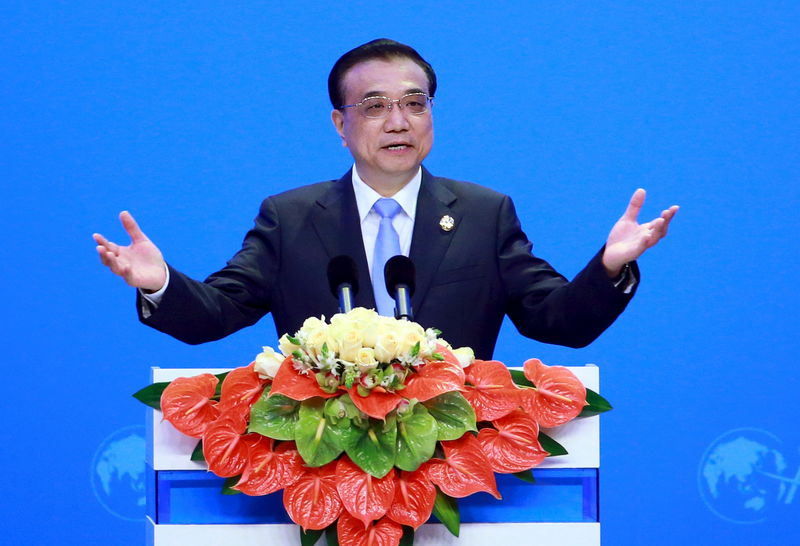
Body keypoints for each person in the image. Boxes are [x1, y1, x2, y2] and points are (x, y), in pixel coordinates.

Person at [93, 39, 678, 360]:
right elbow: (216, 314)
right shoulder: (291, 218)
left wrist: (609, 266)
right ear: (339, 124)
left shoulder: (483, 213)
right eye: (374, 106)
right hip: (325, 469)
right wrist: (159, 283)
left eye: (415, 103)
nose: (398, 121)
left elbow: (557, 321)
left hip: (459, 467)